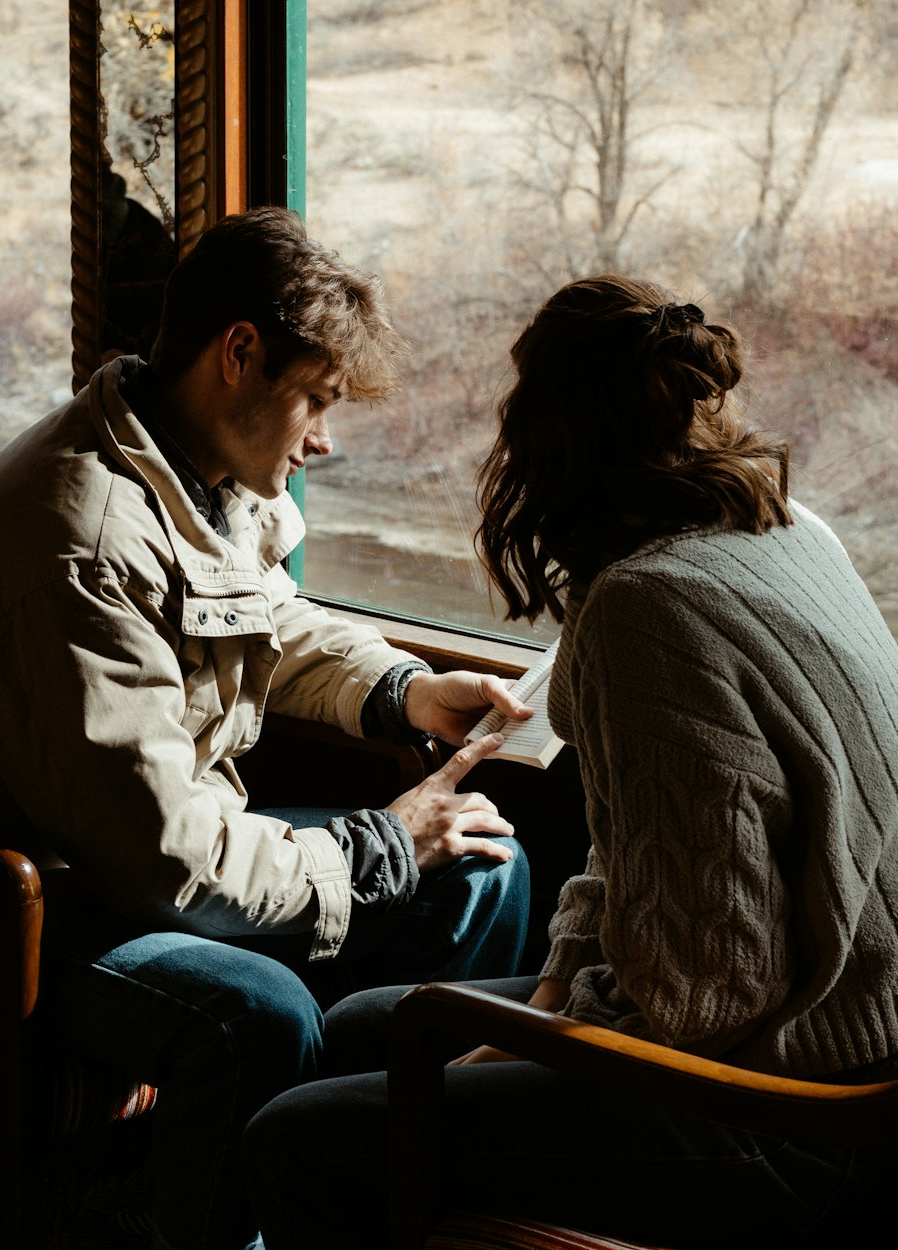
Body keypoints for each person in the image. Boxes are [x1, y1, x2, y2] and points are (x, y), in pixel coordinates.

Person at [0, 207, 533, 1250]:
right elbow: (163, 862)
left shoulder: (202, 474)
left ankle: (352, 1197)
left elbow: (262, 618)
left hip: (123, 840)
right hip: (0, 901)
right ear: (237, 354)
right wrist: (378, 844)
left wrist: (403, 690)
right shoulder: (74, 536)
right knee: (254, 1010)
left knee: (482, 868)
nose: (324, 439)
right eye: (316, 401)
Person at [243, 275, 898, 1249]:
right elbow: (639, 863)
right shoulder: (780, 530)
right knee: (362, 1026)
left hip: (789, 1111)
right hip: (828, 1031)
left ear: (544, 436)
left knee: (291, 1140)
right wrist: (549, 997)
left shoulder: (652, 608)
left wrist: (517, 1049)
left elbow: (702, 994)